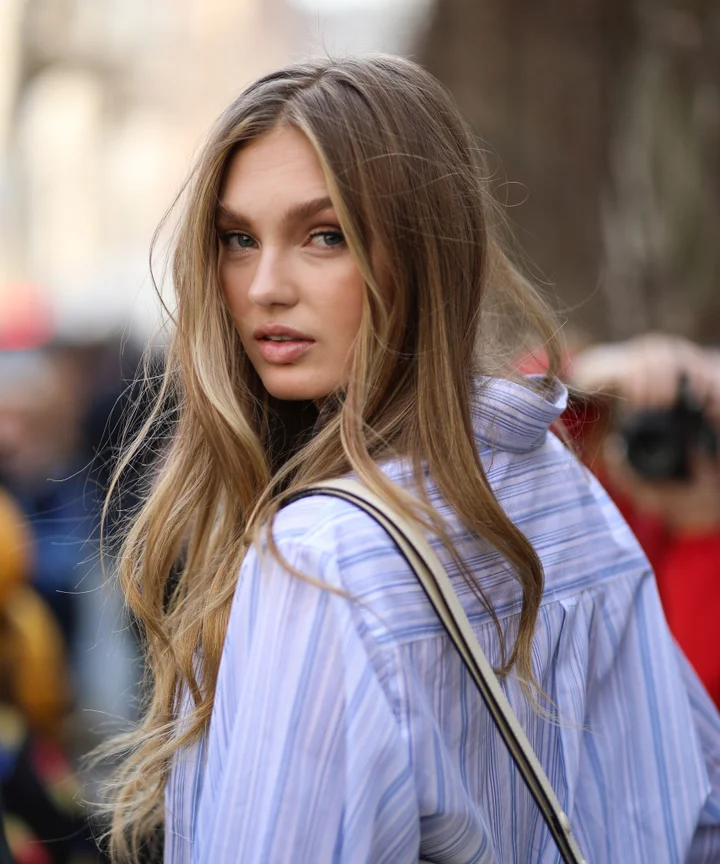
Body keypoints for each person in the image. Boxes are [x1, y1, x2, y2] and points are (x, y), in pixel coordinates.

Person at [98, 56, 720, 863]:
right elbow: (697, 811)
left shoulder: (320, 557)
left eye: (326, 236)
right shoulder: (556, 484)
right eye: (236, 239)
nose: (264, 287)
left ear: (425, 253)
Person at [570, 333, 720, 706]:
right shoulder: (621, 519)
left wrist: (700, 529)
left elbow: (690, 697)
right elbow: (533, 404)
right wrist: (616, 366)